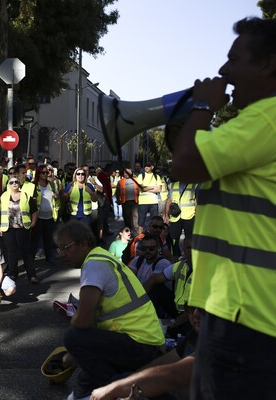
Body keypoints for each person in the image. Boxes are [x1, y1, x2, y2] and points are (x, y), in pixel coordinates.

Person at [170, 17, 276, 399]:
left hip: (245, 318)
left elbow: (183, 164)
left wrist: (202, 106)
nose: (223, 71)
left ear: (268, 64)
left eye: (234, 59)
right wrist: (202, 297)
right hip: (240, 310)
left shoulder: (266, 118)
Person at [55, 221, 164, 399]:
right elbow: (92, 322)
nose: (61, 254)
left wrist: (73, 350)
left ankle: (116, 391)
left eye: (65, 247)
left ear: (83, 244)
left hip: (142, 344)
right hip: (145, 340)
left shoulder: (94, 264)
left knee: (72, 337)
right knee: (86, 374)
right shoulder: (101, 258)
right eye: (59, 249)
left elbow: (83, 321)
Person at [0, 174, 39, 283]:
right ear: (8, 185)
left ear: (19, 184)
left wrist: (33, 223)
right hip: (8, 228)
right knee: (11, 252)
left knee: (26, 252)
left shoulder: (26, 195)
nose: (14, 184)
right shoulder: (3, 196)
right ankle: (12, 274)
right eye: (11, 182)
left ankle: (31, 275)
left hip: (23, 227)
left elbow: (34, 211)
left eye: (16, 182)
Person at [128, 233, 176, 318]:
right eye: (144, 248)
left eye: (151, 248)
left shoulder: (163, 263)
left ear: (158, 248)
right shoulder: (137, 260)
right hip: (142, 299)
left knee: (156, 287)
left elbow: (152, 281)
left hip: (158, 306)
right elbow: (128, 278)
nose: (147, 251)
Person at [31, 164, 61, 266]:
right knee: (35, 240)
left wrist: (57, 198)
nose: (45, 174)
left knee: (48, 239)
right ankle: (30, 260)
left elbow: (57, 200)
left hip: (50, 216)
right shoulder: (34, 185)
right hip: (38, 217)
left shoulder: (52, 185)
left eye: (47, 172)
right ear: (38, 174)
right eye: (43, 172)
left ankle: (49, 258)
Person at [135, 162, 162, 234]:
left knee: (154, 221)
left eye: (148, 166)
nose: (146, 167)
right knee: (141, 222)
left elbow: (159, 189)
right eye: (145, 166)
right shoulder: (141, 176)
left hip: (153, 202)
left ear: (152, 167)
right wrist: (152, 187)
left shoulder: (157, 176)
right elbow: (140, 188)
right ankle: (140, 237)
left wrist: (146, 188)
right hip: (143, 202)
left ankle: (153, 235)